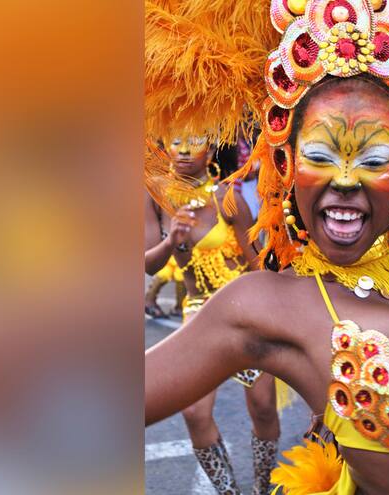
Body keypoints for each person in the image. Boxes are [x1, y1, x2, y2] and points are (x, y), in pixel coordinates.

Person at [144, 1, 389, 493]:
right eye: (319, 155)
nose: (347, 180)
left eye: (375, 158)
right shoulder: (266, 304)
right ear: (287, 164)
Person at [144, 135, 281, 495]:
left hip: (243, 312)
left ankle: (262, 488)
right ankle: (229, 492)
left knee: (264, 406)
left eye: (195, 140)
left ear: (211, 149)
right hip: (198, 312)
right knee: (194, 412)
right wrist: (170, 241)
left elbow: (255, 262)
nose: (185, 149)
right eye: (178, 140)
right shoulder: (159, 199)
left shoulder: (227, 196)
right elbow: (147, 263)